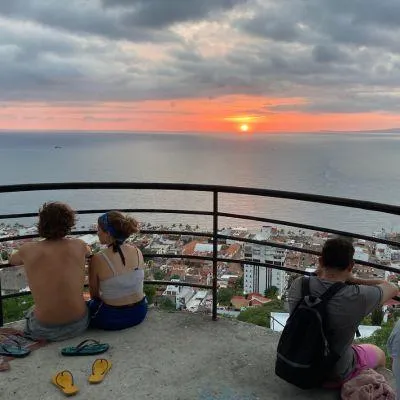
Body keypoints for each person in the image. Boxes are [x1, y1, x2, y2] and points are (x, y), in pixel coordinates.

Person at [288, 237, 398, 387]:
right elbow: (392, 287)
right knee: (378, 352)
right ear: (351, 265)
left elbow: (316, 279)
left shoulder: (299, 284)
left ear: (320, 261)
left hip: (297, 359)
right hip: (335, 371)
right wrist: (355, 279)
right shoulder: (357, 296)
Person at [9, 202, 90, 341]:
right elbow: (89, 252)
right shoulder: (80, 245)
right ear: (69, 223)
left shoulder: (27, 250)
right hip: (79, 324)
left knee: (31, 311)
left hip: (44, 330)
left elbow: (12, 260)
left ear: (42, 224)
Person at [87, 211, 147, 330]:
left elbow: (94, 295)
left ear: (108, 233)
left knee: (85, 308)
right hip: (140, 312)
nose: (97, 233)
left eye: (99, 229)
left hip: (112, 318)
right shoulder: (137, 251)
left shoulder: (98, 259)